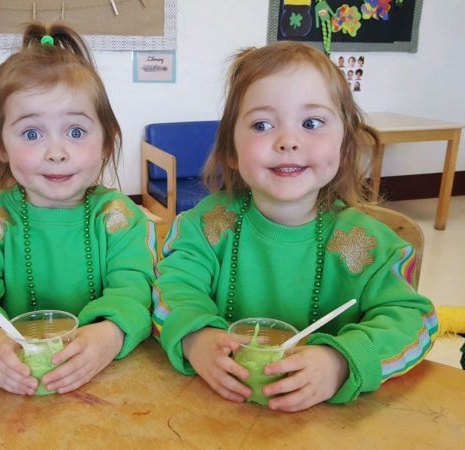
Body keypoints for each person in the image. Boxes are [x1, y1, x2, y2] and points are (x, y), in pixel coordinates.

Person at [152, 41, 437, 412]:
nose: (288, 141)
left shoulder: (373, 246)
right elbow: (171, 288)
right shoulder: (203, 228)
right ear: (231, 152)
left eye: (312, 123)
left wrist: (341, 361)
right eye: (262, 124)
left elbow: (414, 322)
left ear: (345, 147)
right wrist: (196, 336)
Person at [0, 22, 157, 396]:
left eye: (75, 132)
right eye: (32, 133)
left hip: (110, 394)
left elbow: (136, 290)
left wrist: (110, 332)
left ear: (106, 142)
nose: (57, 152)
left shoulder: (124, 221)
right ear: (0, 146)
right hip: (10, 395)